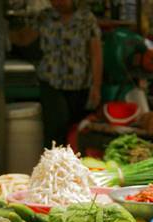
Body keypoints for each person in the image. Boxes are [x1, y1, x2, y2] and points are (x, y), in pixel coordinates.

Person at [9, 0, 103, 148]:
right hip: (51, 80)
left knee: (75, 131)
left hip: (79, 83)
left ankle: (74, 166)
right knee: (55, 128)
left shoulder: (86, 18)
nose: (57, 3)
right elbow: (24, 38)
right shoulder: (44, 17)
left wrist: (96, 86)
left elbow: (96, 53)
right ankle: (52, 166)